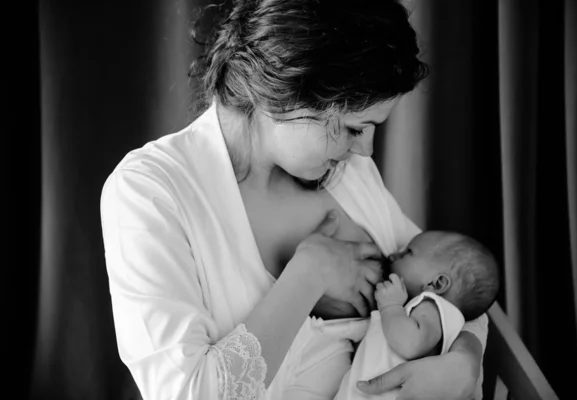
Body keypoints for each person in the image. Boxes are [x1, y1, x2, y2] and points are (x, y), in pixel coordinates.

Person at [100, 0, 490, 399]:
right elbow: (187, 393)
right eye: (355, 128)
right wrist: (309, 273)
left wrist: (465, 359)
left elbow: (455, 283)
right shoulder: (151, 192)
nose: (366, 151)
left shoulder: (345, 174)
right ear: (284, 98)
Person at [335, 231, 500, 400]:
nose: (393, 256)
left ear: (437, 283)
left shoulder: (433, 306)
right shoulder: (420, 310)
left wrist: (390, 305)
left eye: (408, 252)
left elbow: (410, 344)